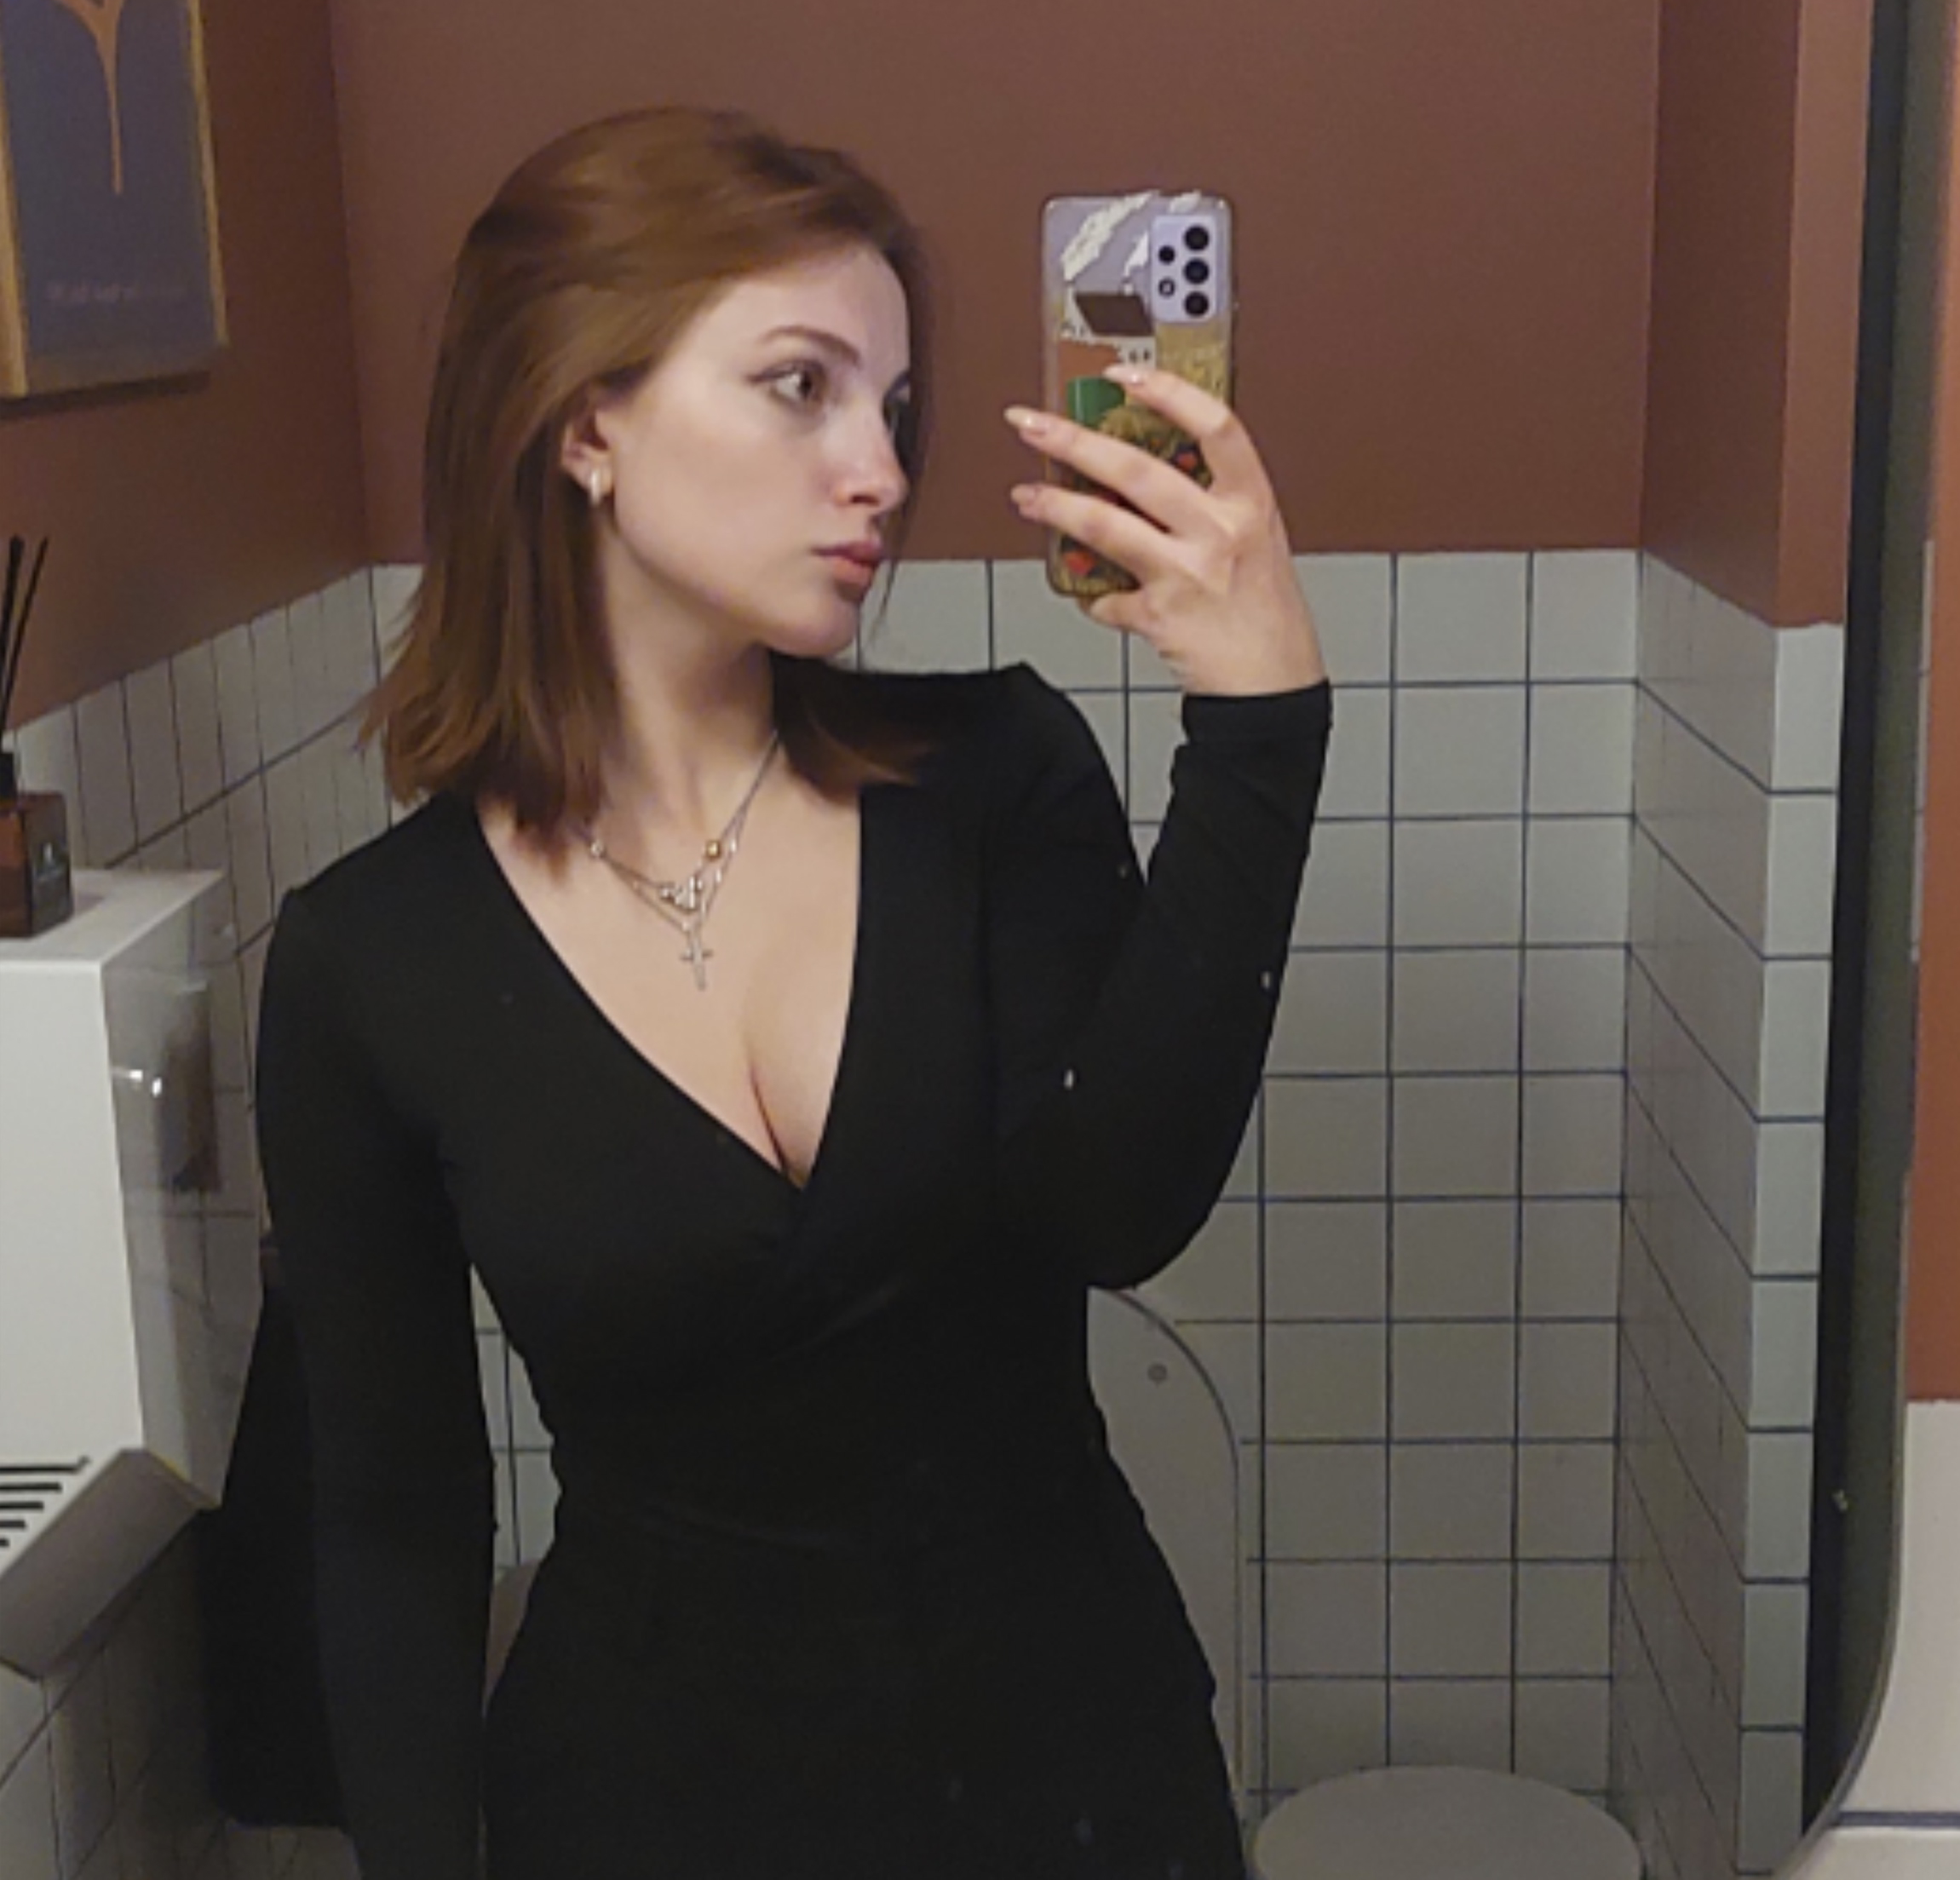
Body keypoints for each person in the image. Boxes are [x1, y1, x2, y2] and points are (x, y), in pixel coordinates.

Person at [255, 106, 1331, 1880]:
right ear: (584, 421)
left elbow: (1120, 1205)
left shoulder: (991, 776)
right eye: (800, 387)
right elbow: (392, 1515)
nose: (880, 469)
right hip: (643, 1808)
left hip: (1076, 1781)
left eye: (892, 406)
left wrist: (1259, 729)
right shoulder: (371, 961)